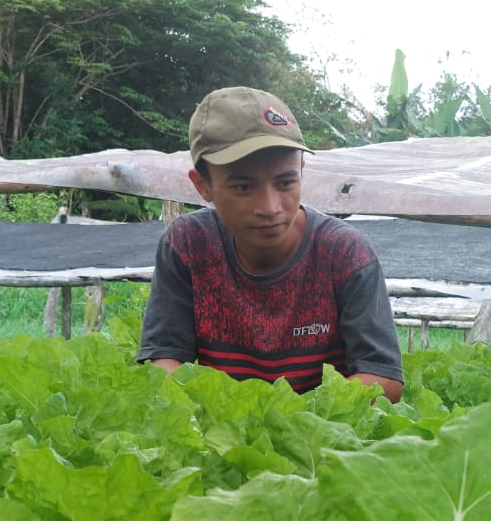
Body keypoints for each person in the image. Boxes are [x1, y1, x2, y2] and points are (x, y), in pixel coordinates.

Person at [137, 86, 404, 401]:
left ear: (301, 170)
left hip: (324, 442)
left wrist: (292, 421)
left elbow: (383, 377)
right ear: (203, 186)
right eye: (243, 186)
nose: (270, 207)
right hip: (221, 434)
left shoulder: (344, 252)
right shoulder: (188, 244)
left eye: (286, 182)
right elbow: (165, 359)